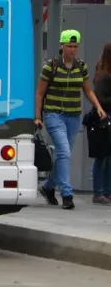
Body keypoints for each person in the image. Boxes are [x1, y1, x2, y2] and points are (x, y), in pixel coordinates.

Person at [36, 29, 107, 210]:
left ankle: (48, 187)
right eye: (69, 46)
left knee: (63, 155)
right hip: (54, 114)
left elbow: (88, 89)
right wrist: (37, 117)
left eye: (75, 46)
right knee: (65, 152)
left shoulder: (80, 66)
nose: (73, 50)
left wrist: (98, 107)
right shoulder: (50, 66)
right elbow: (40, 93)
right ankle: (67, 194)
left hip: (73, 116)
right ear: (62, 46)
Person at [86, 43, 111, 204]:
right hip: (103, 121)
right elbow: (99, 99)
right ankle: (99, 192)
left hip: (106, 121)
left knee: (108, 158)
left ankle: (106, 191)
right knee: (102, 157)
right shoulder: (104, 76)